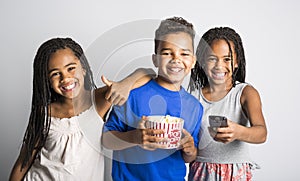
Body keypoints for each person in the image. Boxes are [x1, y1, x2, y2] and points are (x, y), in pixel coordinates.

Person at [8, 37, 155, 181]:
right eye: (55, 74)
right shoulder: (45, 113)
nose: (65, 78)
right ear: (47, 80)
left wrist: (124, 84)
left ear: (83, 69)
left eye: (71, 68)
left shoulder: (99, 100)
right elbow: (24, 161)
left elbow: (148, 73)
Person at [102, 17, 203, 181]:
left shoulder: (195, 107)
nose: (176, 59)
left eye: (184, 53)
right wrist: (134, 137)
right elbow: (106, 140)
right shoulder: (132, 94)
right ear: (155, 59)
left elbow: (189, 157)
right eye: (167, 53)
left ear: (192, 62)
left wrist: (190, 150)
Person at [187, 27, 268, 181]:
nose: (219, 65)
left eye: (227, 59)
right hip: (201, 172)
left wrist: (238, 132)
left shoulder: (245, 93)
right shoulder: (193, 97)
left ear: (236, 62)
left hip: (234, 173)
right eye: (212, 58)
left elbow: (262, 133)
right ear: (202, 61)